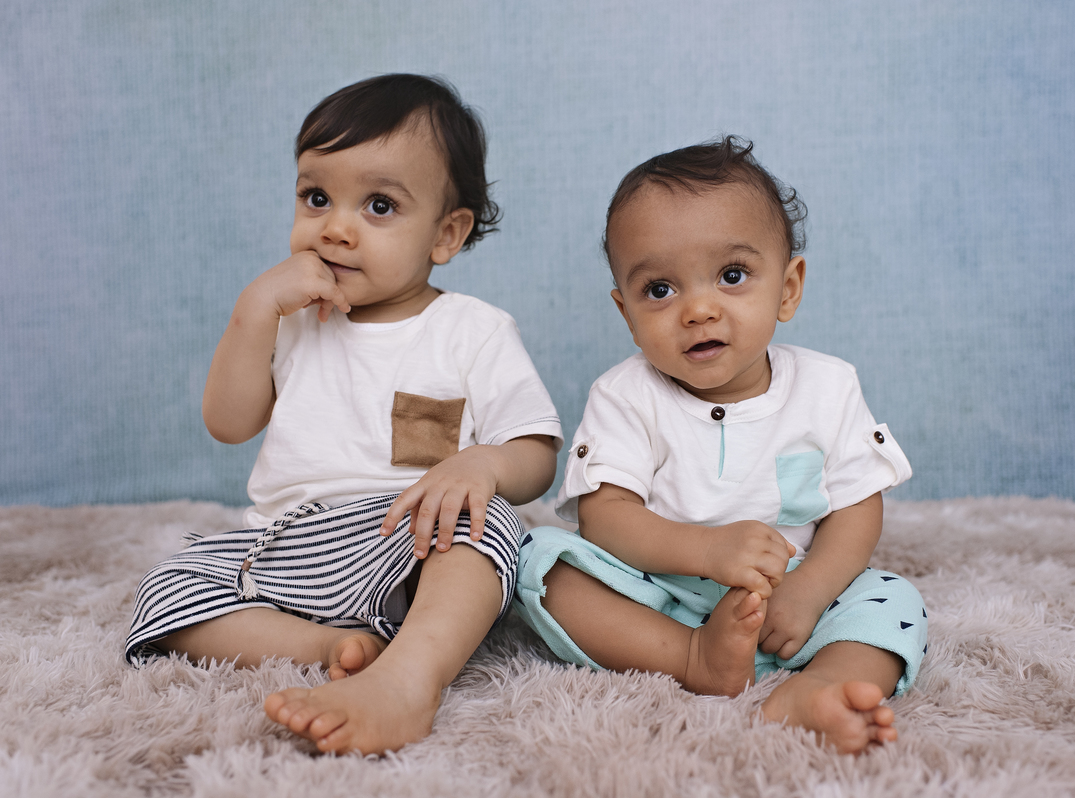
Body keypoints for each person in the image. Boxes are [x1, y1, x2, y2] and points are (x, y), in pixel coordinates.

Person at [125, 74, 562, 755]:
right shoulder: (295, 318)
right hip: (287, 548)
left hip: (406, 538)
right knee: (167, 585)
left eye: (379, 205)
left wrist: (485, 461)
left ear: (445, 234)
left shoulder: (470, 330)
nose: (335, 226)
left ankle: (409, 678)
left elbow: (536, 455)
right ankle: (331, 645)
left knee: (491, 527)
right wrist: (254, 311)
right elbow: (229, 423)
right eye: (316, 197)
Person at [514, 137, 926, 755]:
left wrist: (812, 589)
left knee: (893, 600)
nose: (699, 309)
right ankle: (691, 657)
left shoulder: (827, 385)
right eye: (660, 290)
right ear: (626, 312)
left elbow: (857, 505)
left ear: (787, 288)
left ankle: (823, 686)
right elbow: (605, 519)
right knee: (538, 563)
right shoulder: (626, 396)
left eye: (732, 276)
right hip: (658, 594)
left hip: (794, 597)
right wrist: (704, 550)